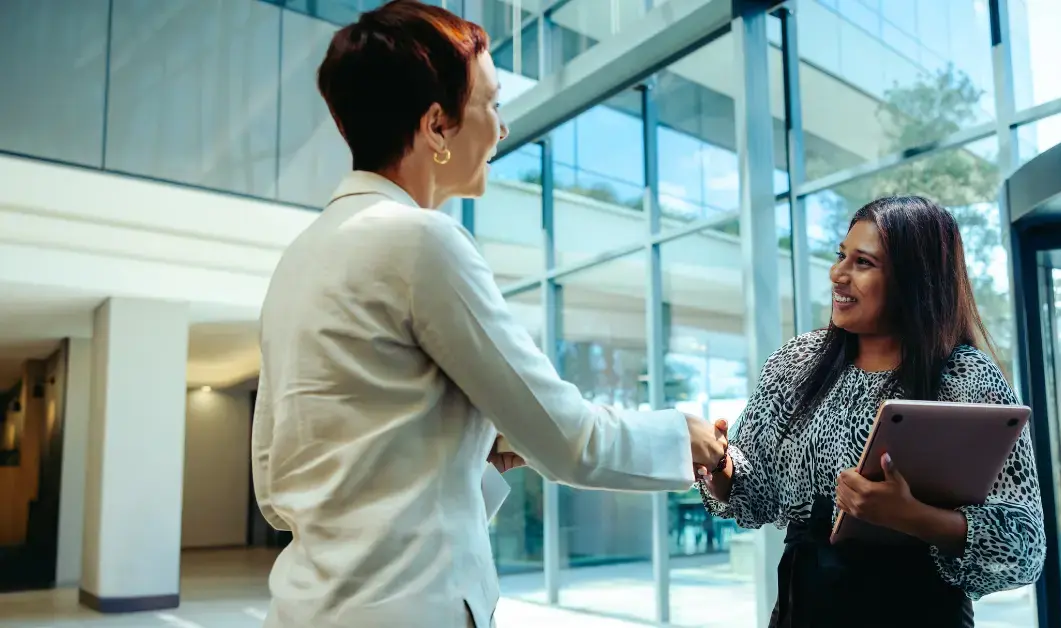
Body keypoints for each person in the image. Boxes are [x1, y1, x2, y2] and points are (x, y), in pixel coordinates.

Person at [250, 3, 727, 627]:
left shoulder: (300, 257)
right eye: (492, 104)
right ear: (437, 126)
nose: (501, 129)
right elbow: (568, 440)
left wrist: (464, 450)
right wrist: (683, 436)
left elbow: (274, 482)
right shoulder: (422, 242)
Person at [699, 196, 1046, 627]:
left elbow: (1024, 546)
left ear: (914, 279)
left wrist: (916, 518)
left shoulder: (966, 377)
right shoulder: (797, 363)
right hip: (806, 608)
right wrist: (720, 465)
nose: (837, 274)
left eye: (862, 263)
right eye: (841, 255)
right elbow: (758, 493)